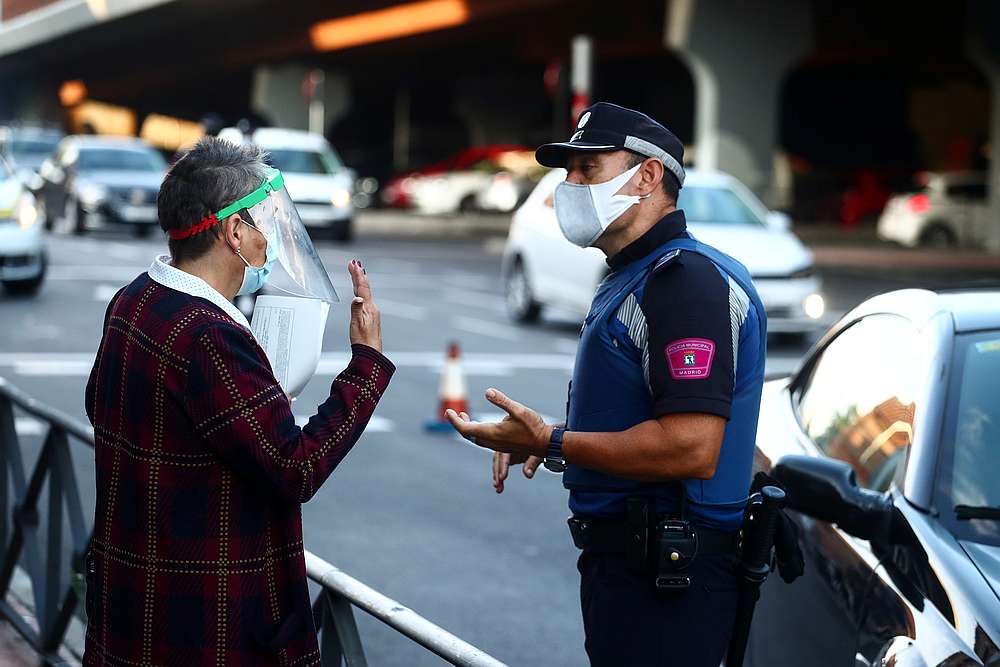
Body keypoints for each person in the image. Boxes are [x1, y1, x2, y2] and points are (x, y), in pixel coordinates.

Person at [448, 102, 767, 667]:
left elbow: (692, 447)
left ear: (647, 176)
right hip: (639, 566)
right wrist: (546, 438)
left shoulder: (683, 282)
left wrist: (550, 442)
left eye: (588, 168)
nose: (569, 184)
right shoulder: (638, 273)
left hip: (670, 577)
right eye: (566, 171)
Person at [83, 137, 394, 665]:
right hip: (204, 626)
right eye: (262, 224)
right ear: (232, 231)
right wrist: (365, 365)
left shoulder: (135, 298)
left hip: (131, 609)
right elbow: (297, 468)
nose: (270, 239)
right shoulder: (208, 335)